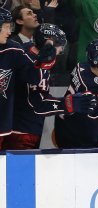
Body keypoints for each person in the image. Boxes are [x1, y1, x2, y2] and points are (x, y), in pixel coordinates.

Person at [3, 23, 96, 149]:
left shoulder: (27, 49)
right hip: (22, 131)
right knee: (19, 169)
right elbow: (37, 105)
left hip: (20, 126)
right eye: (59, 48)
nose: (59, 53)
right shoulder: (32, 61)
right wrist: (68, 104)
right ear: (50, 43)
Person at [0, 7, 57, 149]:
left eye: (10, 27)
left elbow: (33, 77)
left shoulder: (13, 49)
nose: (9, 32)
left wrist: (42, 63)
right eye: (5, 27)